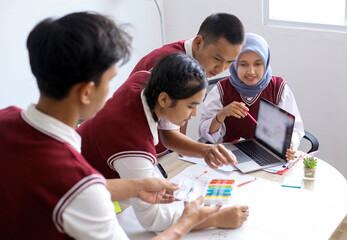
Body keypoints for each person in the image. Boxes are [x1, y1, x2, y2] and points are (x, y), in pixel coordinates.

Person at [0, 12, 224, 240]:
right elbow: (82, 192)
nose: (112, 92)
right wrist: (187, 221)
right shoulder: (78, 185)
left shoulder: (5, 119)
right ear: (86, 92)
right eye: (109, 80)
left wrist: (136, 187)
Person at [77, 52, 249, 232]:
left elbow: (167, 133)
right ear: (164, 99)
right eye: (191, 105)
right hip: (81, 199)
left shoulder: (144, 81)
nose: (194, 114)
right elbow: (152, 220)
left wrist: (205, 151)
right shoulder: (132, 144)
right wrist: (215, 218)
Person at [130, 12, 246, 157]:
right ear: (198, 43)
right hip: (140, 150)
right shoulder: (172, 66)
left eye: (230, 62)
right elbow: (169, 136)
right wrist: (205, 151)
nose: (221, 69)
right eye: (217, 58)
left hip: (163, 150)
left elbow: (178, 124)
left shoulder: (199, 61)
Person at [199, 33, 305, 159]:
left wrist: (290, 146)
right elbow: (206, 134)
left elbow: (295, 129)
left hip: (268, 158)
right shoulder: (221, 89)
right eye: (243, 64)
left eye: (258, 64)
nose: (251, 71)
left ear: (266, 63)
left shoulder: (278, 88)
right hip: (232, 158)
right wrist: (223, 113)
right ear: (234, 63)